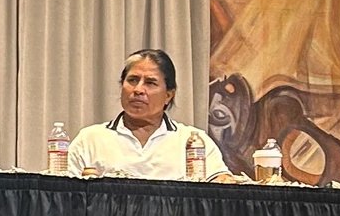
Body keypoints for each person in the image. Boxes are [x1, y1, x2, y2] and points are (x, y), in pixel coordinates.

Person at [67, 49, 230, 181]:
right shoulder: (90, 140)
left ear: (168, 95)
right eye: (132, 80)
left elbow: (220, 187)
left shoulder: (193, 142)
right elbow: (63, 196)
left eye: (150, 83)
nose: (138, 90)